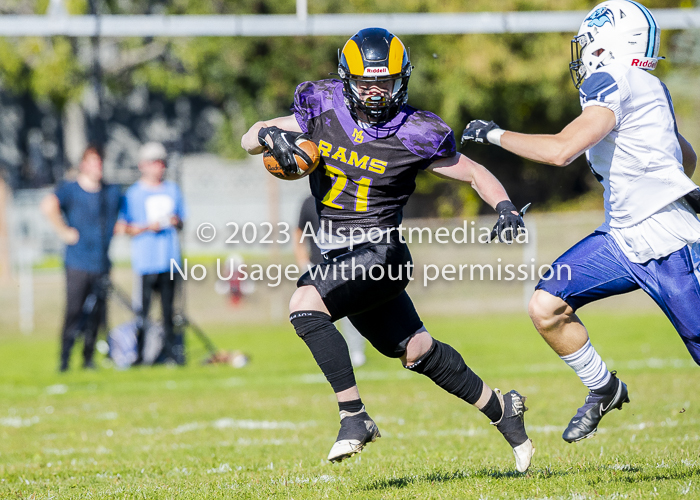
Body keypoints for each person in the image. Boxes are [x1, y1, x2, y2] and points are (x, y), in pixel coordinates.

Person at [242, 28, 534, 472]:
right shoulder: (320, 106)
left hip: (381, 253)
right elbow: (248, 137)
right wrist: (267, 137)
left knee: (304, 305)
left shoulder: (418, 131)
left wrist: (506, 206)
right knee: (417, 351)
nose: (376, 92)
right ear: (347, 81)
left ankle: (354, 417)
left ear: (404, 80)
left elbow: (473, 172)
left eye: (386, 82)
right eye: (365, 83)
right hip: (339, 257)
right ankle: (504, 412)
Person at [462, 0, 700, 444]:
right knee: (546, 305)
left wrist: (493, 134)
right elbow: (686, 157)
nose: (582, 51)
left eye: (587, 41)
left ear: (607, 43)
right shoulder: (645, 85)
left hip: (670, 242)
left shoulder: (616, 79)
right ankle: (603, 388)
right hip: (623, 239)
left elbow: (560, 150)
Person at [41, 145, 122, 372]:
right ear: (83, 164)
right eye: (94, 162)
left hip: (102, 262)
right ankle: (64, 359)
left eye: (101, 162)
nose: (99, 167)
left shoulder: (111, 192)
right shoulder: (70, 189)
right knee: (74, 311)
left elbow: (123, 219)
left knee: (97, 313)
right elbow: (47, 205)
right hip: (77, 262)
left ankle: (88, 359)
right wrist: (63, 230)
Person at [115, 142, 187, 365]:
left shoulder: (172, 189)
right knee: (142, 314)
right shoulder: (134, 194)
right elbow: (122, 227)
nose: (160, 167)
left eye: (162, 163)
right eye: (155, 163)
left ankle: (170, 355)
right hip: (146, 261)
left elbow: (183, 220)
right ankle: (139, 356)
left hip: (170, 259)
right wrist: (148, 227)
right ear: (143, 165)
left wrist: (175, 221)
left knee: (169, 313)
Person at [294, 194, 367, 367]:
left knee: (349, 311)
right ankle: (328, 353)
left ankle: (356, 351)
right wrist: (303, 262)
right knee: (314, 313)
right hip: (317, 266)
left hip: (344, 264)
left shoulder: (347, 197)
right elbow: (299, 232)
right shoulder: (308, 202)